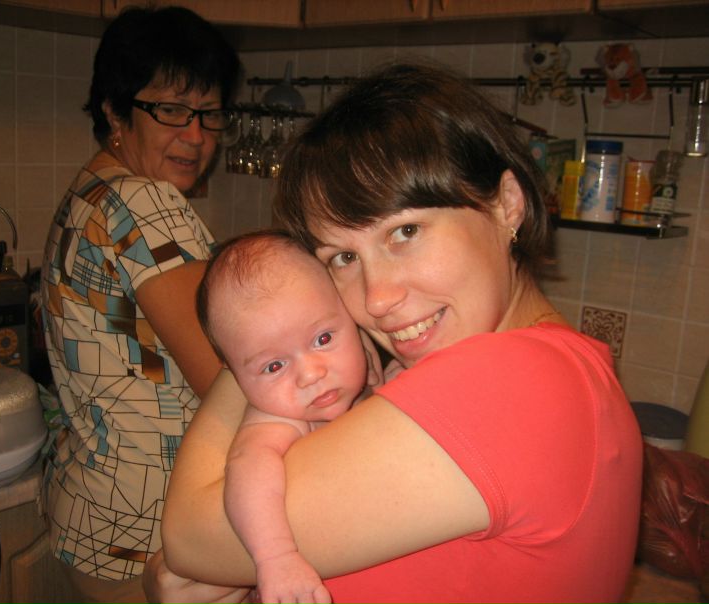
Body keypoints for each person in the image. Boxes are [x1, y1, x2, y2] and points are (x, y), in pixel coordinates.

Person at [147, 62, 644, 604]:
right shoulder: (551, 368)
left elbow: (189, 538)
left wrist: (259, 342)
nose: (376, 298)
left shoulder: (508, 383)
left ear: (507, 203)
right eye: (343, 258)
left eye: (405, 231)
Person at [40, 6, 244, 602]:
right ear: (115, 109)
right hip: (150, 532)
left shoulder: (91, 190)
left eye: (208, 113)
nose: (196, 135)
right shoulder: (146, 203)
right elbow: (230, 379)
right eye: (172, 110)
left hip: (97, 512)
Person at [196, 230, 380, 604]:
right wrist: (276, 558)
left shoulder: (366, 371)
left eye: (323, 339)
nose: (310, 374)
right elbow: (249, 469)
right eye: (274, 366)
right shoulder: (275, 421)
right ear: (233, 373)